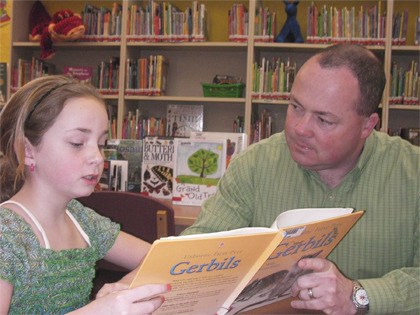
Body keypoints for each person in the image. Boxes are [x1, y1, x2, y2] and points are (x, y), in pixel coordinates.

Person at [181, 44, 419, 314]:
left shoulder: (413, 174)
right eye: (296, 106)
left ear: (367, 125)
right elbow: (201, 247)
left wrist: (358, 295)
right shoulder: (255, 165)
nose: (299, 128)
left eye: (324, 120)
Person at [0, 75, 170, 314]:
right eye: (78, 143)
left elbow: (163, 261)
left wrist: (124, 286)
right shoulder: (6, 232)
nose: (98, 158)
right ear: (27, 150)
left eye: (100, 144)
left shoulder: (80, 219)